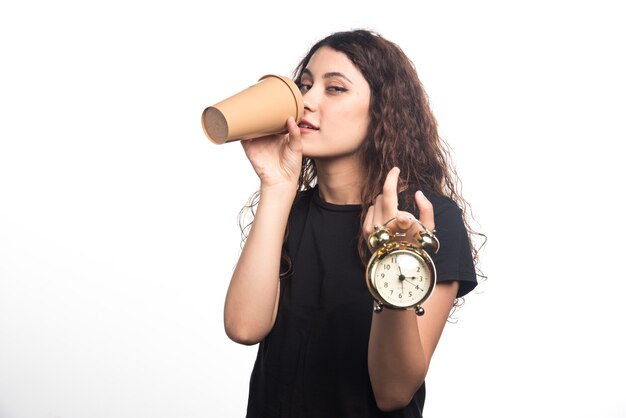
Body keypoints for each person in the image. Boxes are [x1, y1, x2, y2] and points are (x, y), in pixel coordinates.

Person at [223, 29, 482, 418]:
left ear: (382, 110)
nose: (306, 101)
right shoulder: (290, 211)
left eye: (335, 89)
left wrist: (392, 256)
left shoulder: (426, 218)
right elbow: (244, 327)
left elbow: (392, 392)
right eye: (305, 85)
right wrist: (276, 186)